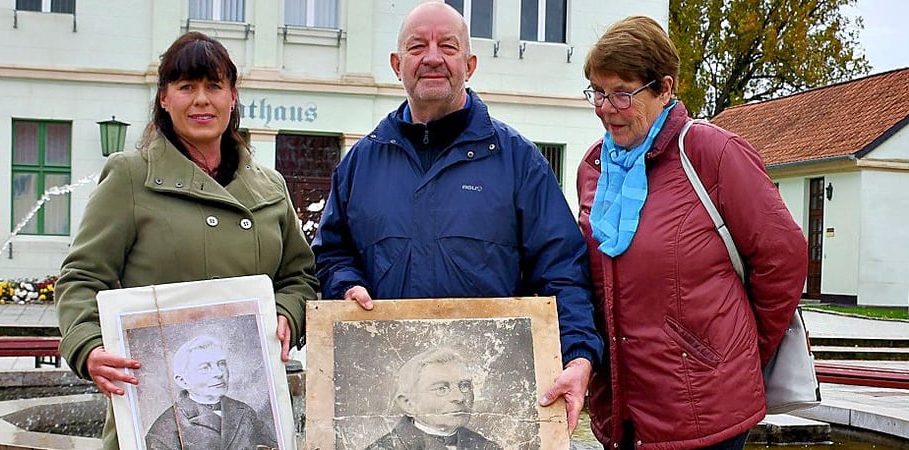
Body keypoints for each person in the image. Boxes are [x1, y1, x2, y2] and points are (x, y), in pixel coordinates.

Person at [311, 0, 601, 434]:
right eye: (417, 46)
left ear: (470, 63)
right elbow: (333, 252)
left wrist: (579, 354)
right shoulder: (360, 165)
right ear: (396, 64)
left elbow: (561, 270)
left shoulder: (518, 162)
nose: (431, 57)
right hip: (391, 407)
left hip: (494, 407)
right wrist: (345, 284)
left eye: (447, 46)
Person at [55, 31, 317, 450]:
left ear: (233, 97)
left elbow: (300, 276)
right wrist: (88, 346)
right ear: (164, 98)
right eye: (186, 87)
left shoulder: (270, 184)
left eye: (214, 85)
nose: (201, 100)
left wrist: (287, 313)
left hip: (253, 419)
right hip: (149, 412)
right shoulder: (130, 175)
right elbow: (82, 277)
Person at [575, 16, 808, 450]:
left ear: (664, 89)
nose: (605, 107)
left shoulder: (711, 153)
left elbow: (785, 257)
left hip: (705, 410)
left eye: (622, 94)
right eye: (598, 92)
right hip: (624, 408)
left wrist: (735, 352)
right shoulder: (594, 167)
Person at [146, 334, 277, 450]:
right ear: (183, 381)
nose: (219, 373)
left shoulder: (245, 412)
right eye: (205, 368)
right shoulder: (164, 429)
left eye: (221, 364)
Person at [367, 348, 500, 450]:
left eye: (464, 386)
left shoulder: (487, 447)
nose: (459, 397)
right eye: (441, 389)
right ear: (408, 404)